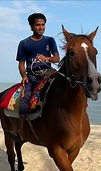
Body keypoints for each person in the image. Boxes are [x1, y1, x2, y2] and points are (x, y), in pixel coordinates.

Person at [7, 13, 60, 143]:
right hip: (32, 76)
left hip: (49, 74)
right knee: (25, 99)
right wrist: (24, 76)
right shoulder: (24, 43)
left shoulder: (50, 40)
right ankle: (20, 131)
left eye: (43, 25)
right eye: (38, 25)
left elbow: (57, 58)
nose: (41, 27)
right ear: (31, 26)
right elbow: (21, 64)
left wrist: (47, 58)